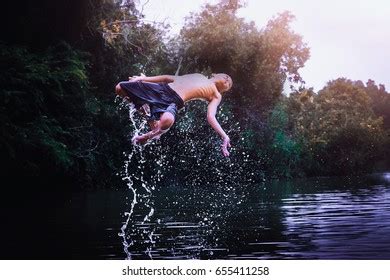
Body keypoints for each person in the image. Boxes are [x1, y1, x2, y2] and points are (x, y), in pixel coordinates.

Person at [115, 73, 233, 157]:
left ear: (224, 90)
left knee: (168, 120)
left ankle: (148, 136)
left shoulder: (216, 95)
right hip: (162, 89)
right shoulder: (199, 75)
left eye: (229, 83)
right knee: (120, 87)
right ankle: (145, 111)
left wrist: (224, 136)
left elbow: (211, 117)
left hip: (173, 101)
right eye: (226, 76)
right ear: (214, 74)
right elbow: (168, 77)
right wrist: (144, 78)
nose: (227, 79)